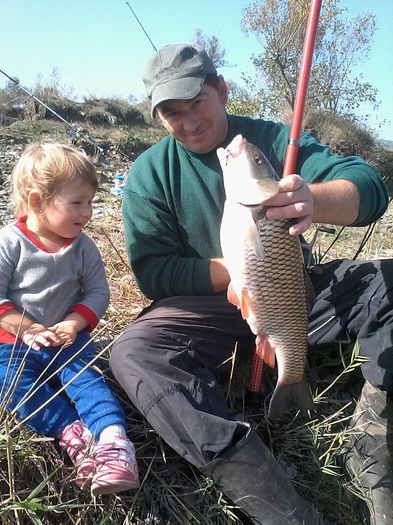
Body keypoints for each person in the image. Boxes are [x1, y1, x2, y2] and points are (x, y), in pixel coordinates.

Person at [109, 42, 393, 524]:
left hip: (294, 293)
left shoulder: (271, 143)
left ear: (222, 90)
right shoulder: (148, 175)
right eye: (172, 113)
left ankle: (374, 450)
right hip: (212, 309)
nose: (189, 121)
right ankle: (276, 505)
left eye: (197, 101)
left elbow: (370, 188)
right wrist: (238, 272)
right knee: (132, 352)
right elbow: (153, 272)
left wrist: (314, 200)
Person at [0, 143, 139, 496]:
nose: (88, 212)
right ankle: (72, 434)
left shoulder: (83, 247)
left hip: (67, 339)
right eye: (77, 203)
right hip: (13, 342)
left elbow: (97, 293)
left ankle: (113, 442)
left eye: (91, 202)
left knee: (88, 380)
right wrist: (27, 328)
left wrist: (74, 323)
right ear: (36, 202)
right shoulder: (9, 243)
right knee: (9, 386)